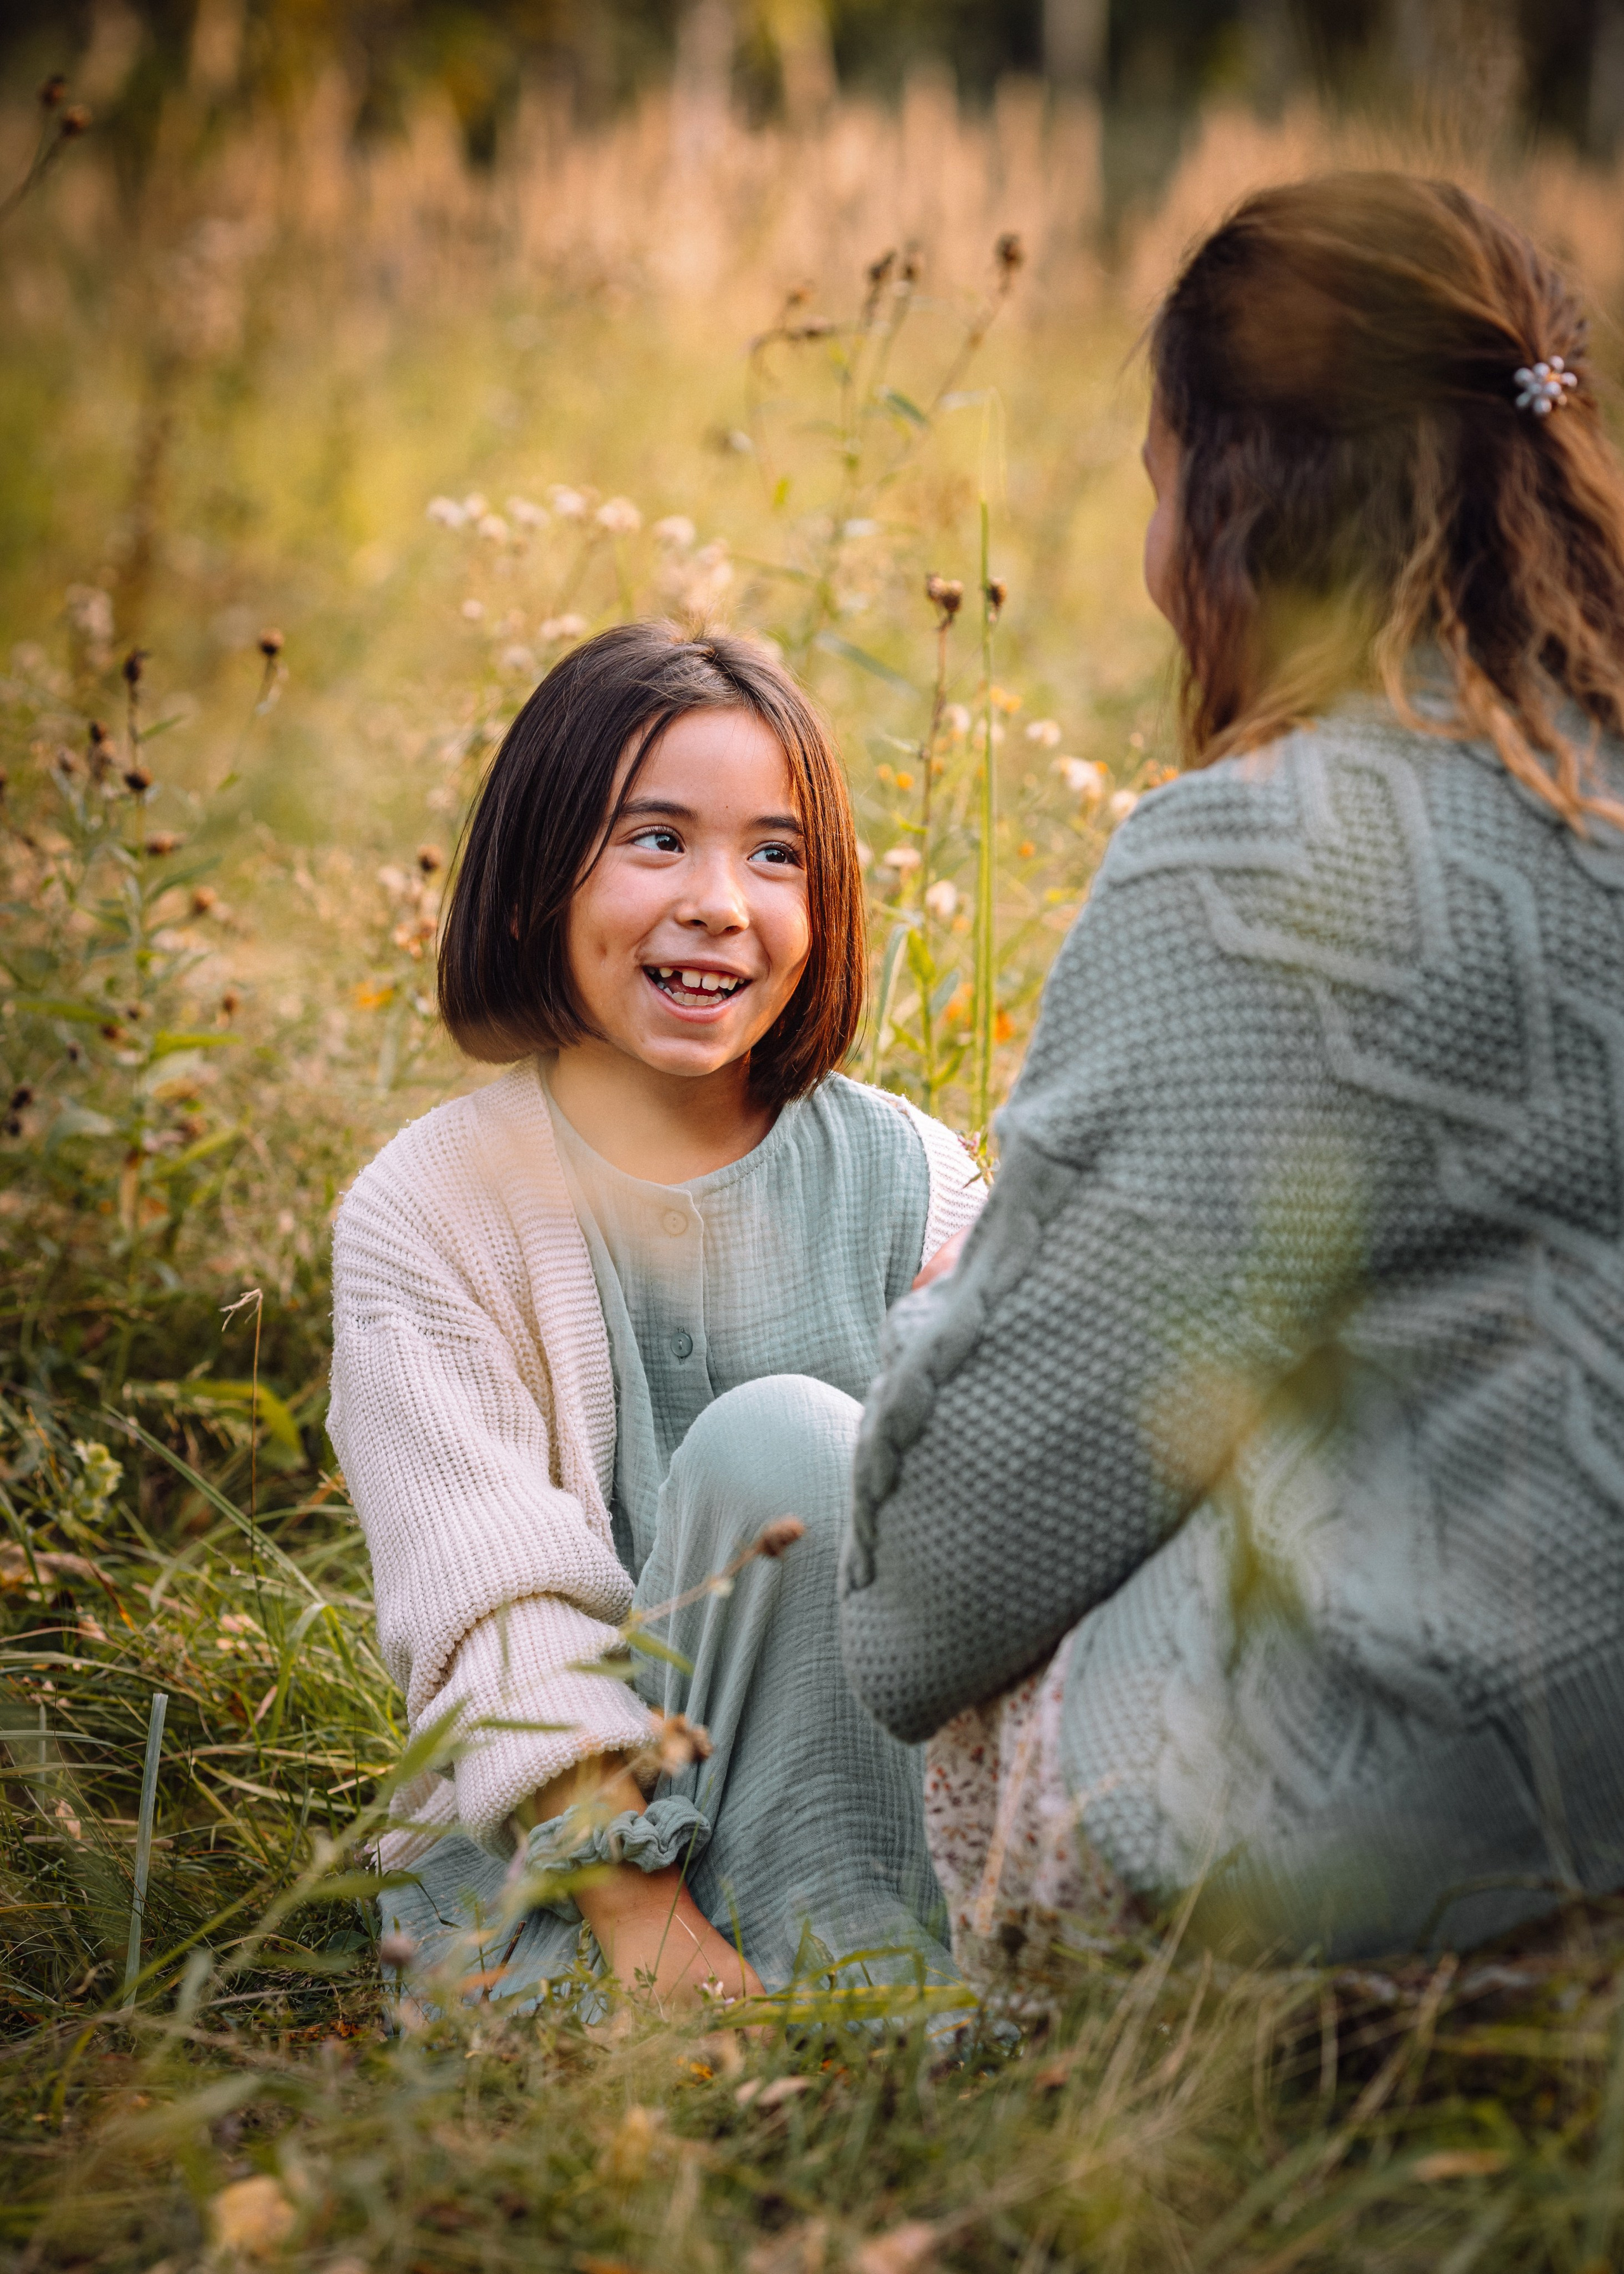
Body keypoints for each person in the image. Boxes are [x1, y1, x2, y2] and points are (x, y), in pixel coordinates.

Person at [840, 174, 1624, 1973]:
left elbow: (932, 1604)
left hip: (1402, 1893)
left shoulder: (1269, 865)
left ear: (1235, 492)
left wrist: (948, 1327)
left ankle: (877, 2054)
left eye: (1154, 476)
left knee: (850, 1481)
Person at [329, 623, 984, 2010]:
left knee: (801, 1450)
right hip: (562, 1886)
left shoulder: (915, 1177)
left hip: (886, 1835)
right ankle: (762, 1993)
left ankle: (870, 1978)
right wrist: (654, 1939)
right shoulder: (432, 1206)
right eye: (655, 840)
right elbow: (492, 1609)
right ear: (534, 881)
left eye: (772, 854)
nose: (717, 901)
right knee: (786, 1447)